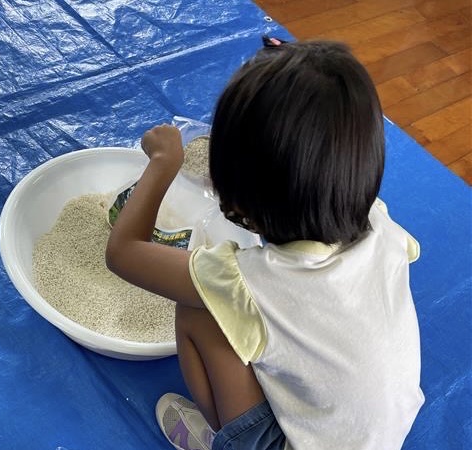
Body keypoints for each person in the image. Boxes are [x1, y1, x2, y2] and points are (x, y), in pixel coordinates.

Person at [105, 39, 424, 450]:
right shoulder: (381, 222)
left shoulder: (248, 282)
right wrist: (299, 72)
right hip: (378, 434)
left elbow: (123, 252)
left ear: (238, 203)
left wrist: (163, 164)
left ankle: (220, 440)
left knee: (199, 310)